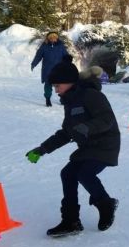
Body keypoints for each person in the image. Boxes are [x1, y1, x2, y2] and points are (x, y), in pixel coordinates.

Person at [25, 61, 121, 237]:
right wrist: (42, 149)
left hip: (105, 145)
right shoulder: (70, 102)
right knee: (67, 173)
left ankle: (105, 204)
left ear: (69, 82)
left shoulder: (91, 95)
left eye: (57, 85)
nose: (56, 90)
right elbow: (66, 133)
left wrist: (87, 127)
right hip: (87, 147)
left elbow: (107, 119)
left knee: (84, 174)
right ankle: (71, 221)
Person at [31, 32, 69, 106]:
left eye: (54, 37)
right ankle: (48, 99)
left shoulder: (61, 46)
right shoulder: (44, 46)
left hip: (59, 70)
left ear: (57, 38)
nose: (52, 39)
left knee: (61, 85)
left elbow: (66, 56)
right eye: (51, 38)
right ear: (48, 38)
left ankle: (63, 98)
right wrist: (33, 64)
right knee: (48, 85)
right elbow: (38, 56)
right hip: (47, 70)